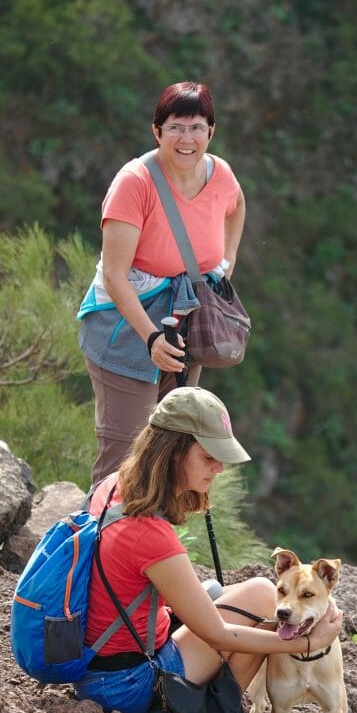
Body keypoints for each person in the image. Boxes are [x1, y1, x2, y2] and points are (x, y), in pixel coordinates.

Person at [73, 386, 343, 713]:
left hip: (97, 660)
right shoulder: (150, 534)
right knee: (264, 602)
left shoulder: (114, 486)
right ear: (173, 450)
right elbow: (220, 635)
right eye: (208, 456)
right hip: (123, 685)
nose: (218, 468)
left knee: (223, 593)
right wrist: (308, 640)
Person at [77, 80, 247, 485]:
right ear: (157, 131)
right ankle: (96, 540)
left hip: (183, 323)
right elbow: (116, 277)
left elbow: (237, 205)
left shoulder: (219, 174)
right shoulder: (135, 183)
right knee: (124, 457)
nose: (186, 139)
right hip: (126, 329)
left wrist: (227, 263)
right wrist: (151, 339)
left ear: (211, 132)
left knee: (171, 450)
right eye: (175, 127)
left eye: (196, 127)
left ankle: (150, 544)